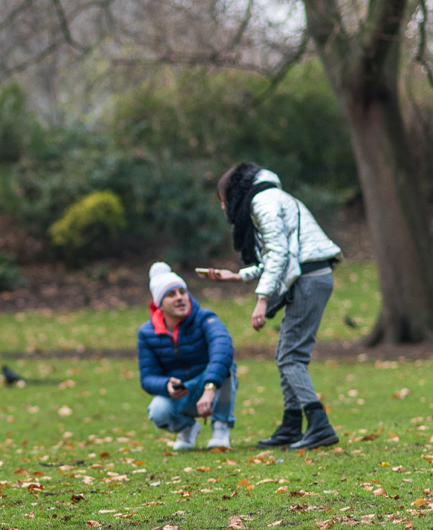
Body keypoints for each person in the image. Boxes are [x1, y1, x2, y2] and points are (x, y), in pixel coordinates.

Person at [202, 163, 342, 450]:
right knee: (286, 354)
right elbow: (278, 257)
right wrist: (237, 276)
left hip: (309, 278)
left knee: (291, 356)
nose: (223, 208)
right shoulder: (272, 197)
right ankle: (292, 425)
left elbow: (278, 253)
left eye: (222, 201)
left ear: (233, 193)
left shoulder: (262, 201)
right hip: (308, 276)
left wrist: (261, 299)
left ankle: (319, 425)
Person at [138, 262, 237, 450]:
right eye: (171, 294)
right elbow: (147, 377)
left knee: (226, 366)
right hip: (181, 393)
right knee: (157, 412)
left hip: (208, 385)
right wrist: (166, 385)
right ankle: (187, 428)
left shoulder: (205, 318)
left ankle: (221, 428)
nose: (180, 298)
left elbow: (222, 348)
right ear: (159, 304)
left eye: (182, 292)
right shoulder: (147, 333)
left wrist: (209, 387)